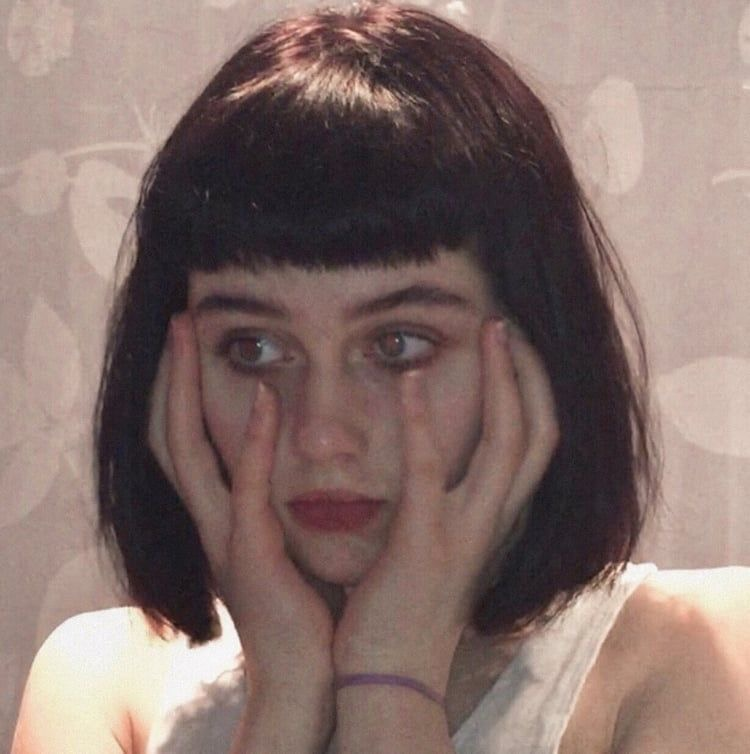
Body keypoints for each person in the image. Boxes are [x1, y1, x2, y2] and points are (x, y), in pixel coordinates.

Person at [11, 2, 750, 752]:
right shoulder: (103, 678)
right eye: (253, 349)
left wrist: (389, 676)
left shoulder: (695, 651)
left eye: (399, 344)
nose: (322, 435)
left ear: (539, 353)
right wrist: (284, 696)